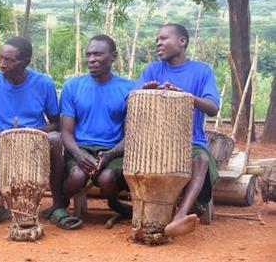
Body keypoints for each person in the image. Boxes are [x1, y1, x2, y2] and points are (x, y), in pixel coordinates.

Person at [0, 36, 82, 229]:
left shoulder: (43, 83)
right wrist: (6, 135)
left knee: (55, 139)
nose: (2, 64)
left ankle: (57, 205)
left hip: (35, 144)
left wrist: (29, 134)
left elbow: (55, 123)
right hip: (2, 143)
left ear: (26, 61)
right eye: (1, 58)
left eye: (10, 60)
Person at [136, 23, 220, 237]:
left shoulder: (202, 71)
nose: (158, 43)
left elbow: (213, 108)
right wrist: (144, 92)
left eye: (164, 38)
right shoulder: (152, 70)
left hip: (191, 143)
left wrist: (184, 96)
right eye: (157, 39)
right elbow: (130, 100)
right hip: (154, 143)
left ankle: (180, 216)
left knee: (200, 161)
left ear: (182, 42)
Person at [60, 35, 134, 220]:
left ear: (114, 56)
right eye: (89, 55)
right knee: (77, 176)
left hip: (114, 150)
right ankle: (60, 204)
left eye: (98, 54)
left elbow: (131, 135)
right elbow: (66, 132)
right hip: (81, 148)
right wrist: (79, 155)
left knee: (107, 179)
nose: (91, 59)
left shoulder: (129, 89)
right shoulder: (72, 86)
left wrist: (109, 155)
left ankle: (114, 203)